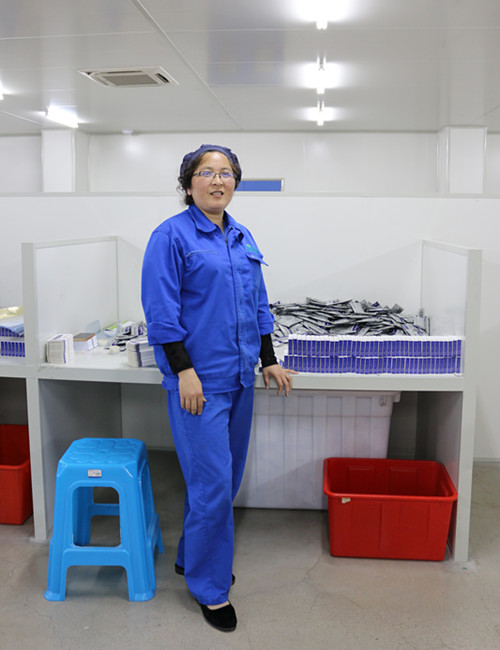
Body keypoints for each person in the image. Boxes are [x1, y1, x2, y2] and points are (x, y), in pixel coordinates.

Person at [141, 144, 295, 632]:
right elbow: (161, 313)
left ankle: (191, 556)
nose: (217, 180)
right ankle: (210, 590)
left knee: (220, 484)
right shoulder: (170, 236)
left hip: (240, 378)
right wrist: (183, 371)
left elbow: (257, 303)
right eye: (206, 172)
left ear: (235, 183)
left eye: (225, 172)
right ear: (189, 184)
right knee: (211, 487)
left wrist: (268, 359)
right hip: (198, 385)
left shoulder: (241, 235)